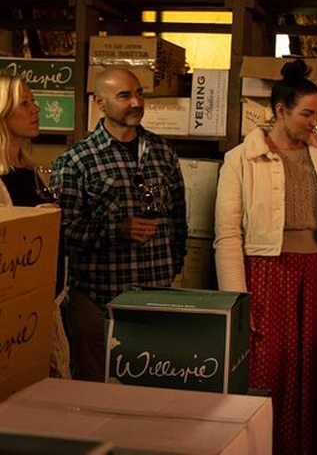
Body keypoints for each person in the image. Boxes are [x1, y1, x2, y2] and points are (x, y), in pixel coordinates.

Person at [214, 59, 317, 455]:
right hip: (266, 273)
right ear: (280, 110)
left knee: (310, 370)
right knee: (267, 370)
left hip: (313, 272)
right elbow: (227, 235)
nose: (315, 122)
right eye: (306, 114)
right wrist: (237, 302)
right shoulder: (241, 158)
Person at [53, 67, 187, 382]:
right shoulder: (76, 160)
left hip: (155, 300)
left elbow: (178, 218)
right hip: (99, 304)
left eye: (139, 93)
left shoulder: (162, 151)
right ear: (100, 102)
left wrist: (173, 264)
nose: (136, 102)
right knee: (96, 395)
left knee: (151, 395)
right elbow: (64, 232)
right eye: (124, 95)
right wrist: (117, 230)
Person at [0, 73, 70, 379]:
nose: (36, 109)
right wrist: (30, 222)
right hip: (11, 318)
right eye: (25, 103)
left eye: (34, 101)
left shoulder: (29, 172)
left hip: (44, 307)